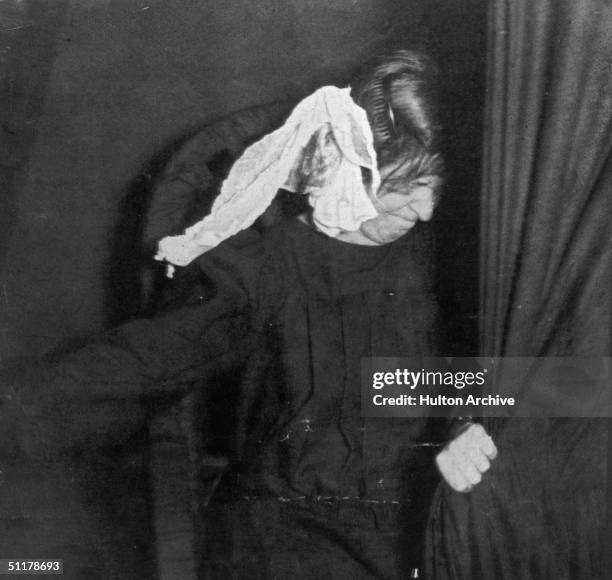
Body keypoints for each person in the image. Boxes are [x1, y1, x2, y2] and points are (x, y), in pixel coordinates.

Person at [1, 50, 497, 579]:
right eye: (405, 188)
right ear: (350, 160)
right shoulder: (266, 267)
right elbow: (139, 364)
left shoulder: (445, 259)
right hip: (291, 531)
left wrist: (475, 420)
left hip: (429, 525)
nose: (425, 211)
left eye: (436, 188)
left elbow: (553, 380)